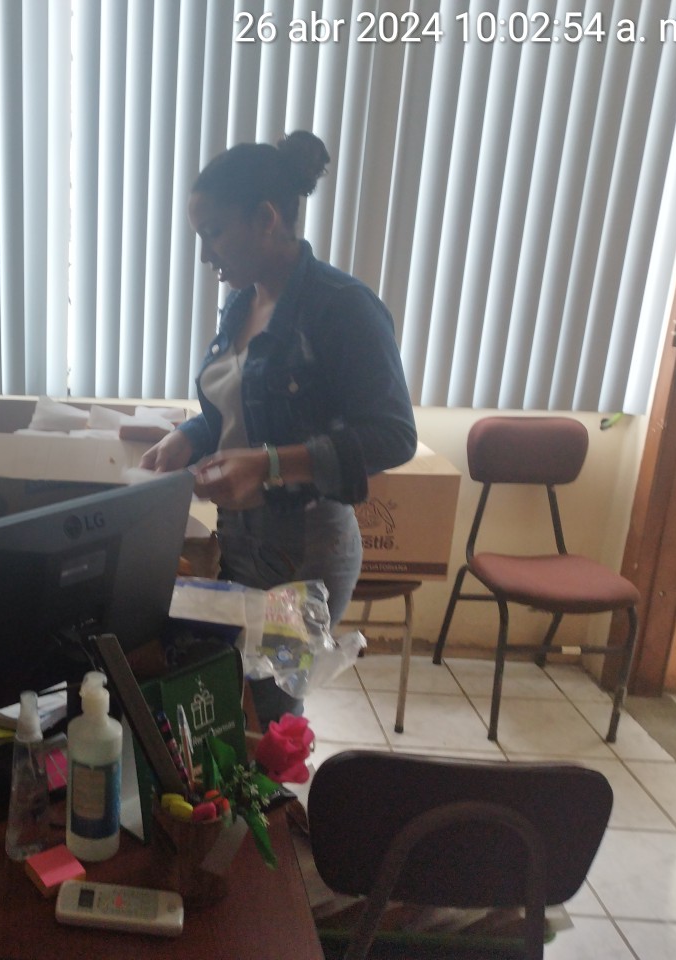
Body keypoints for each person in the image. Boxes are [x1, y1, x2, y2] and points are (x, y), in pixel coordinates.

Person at [141, 132, 417, 721]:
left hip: (305, 554)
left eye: (214, 233)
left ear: (266, 219)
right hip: (242, 542)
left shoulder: (343, 307)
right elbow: (240, 410)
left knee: (267, 716)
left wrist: (267, 466)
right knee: (229, 704)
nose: (205, 255)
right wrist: (190, 435)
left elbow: (394, 434)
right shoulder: (242, 304)